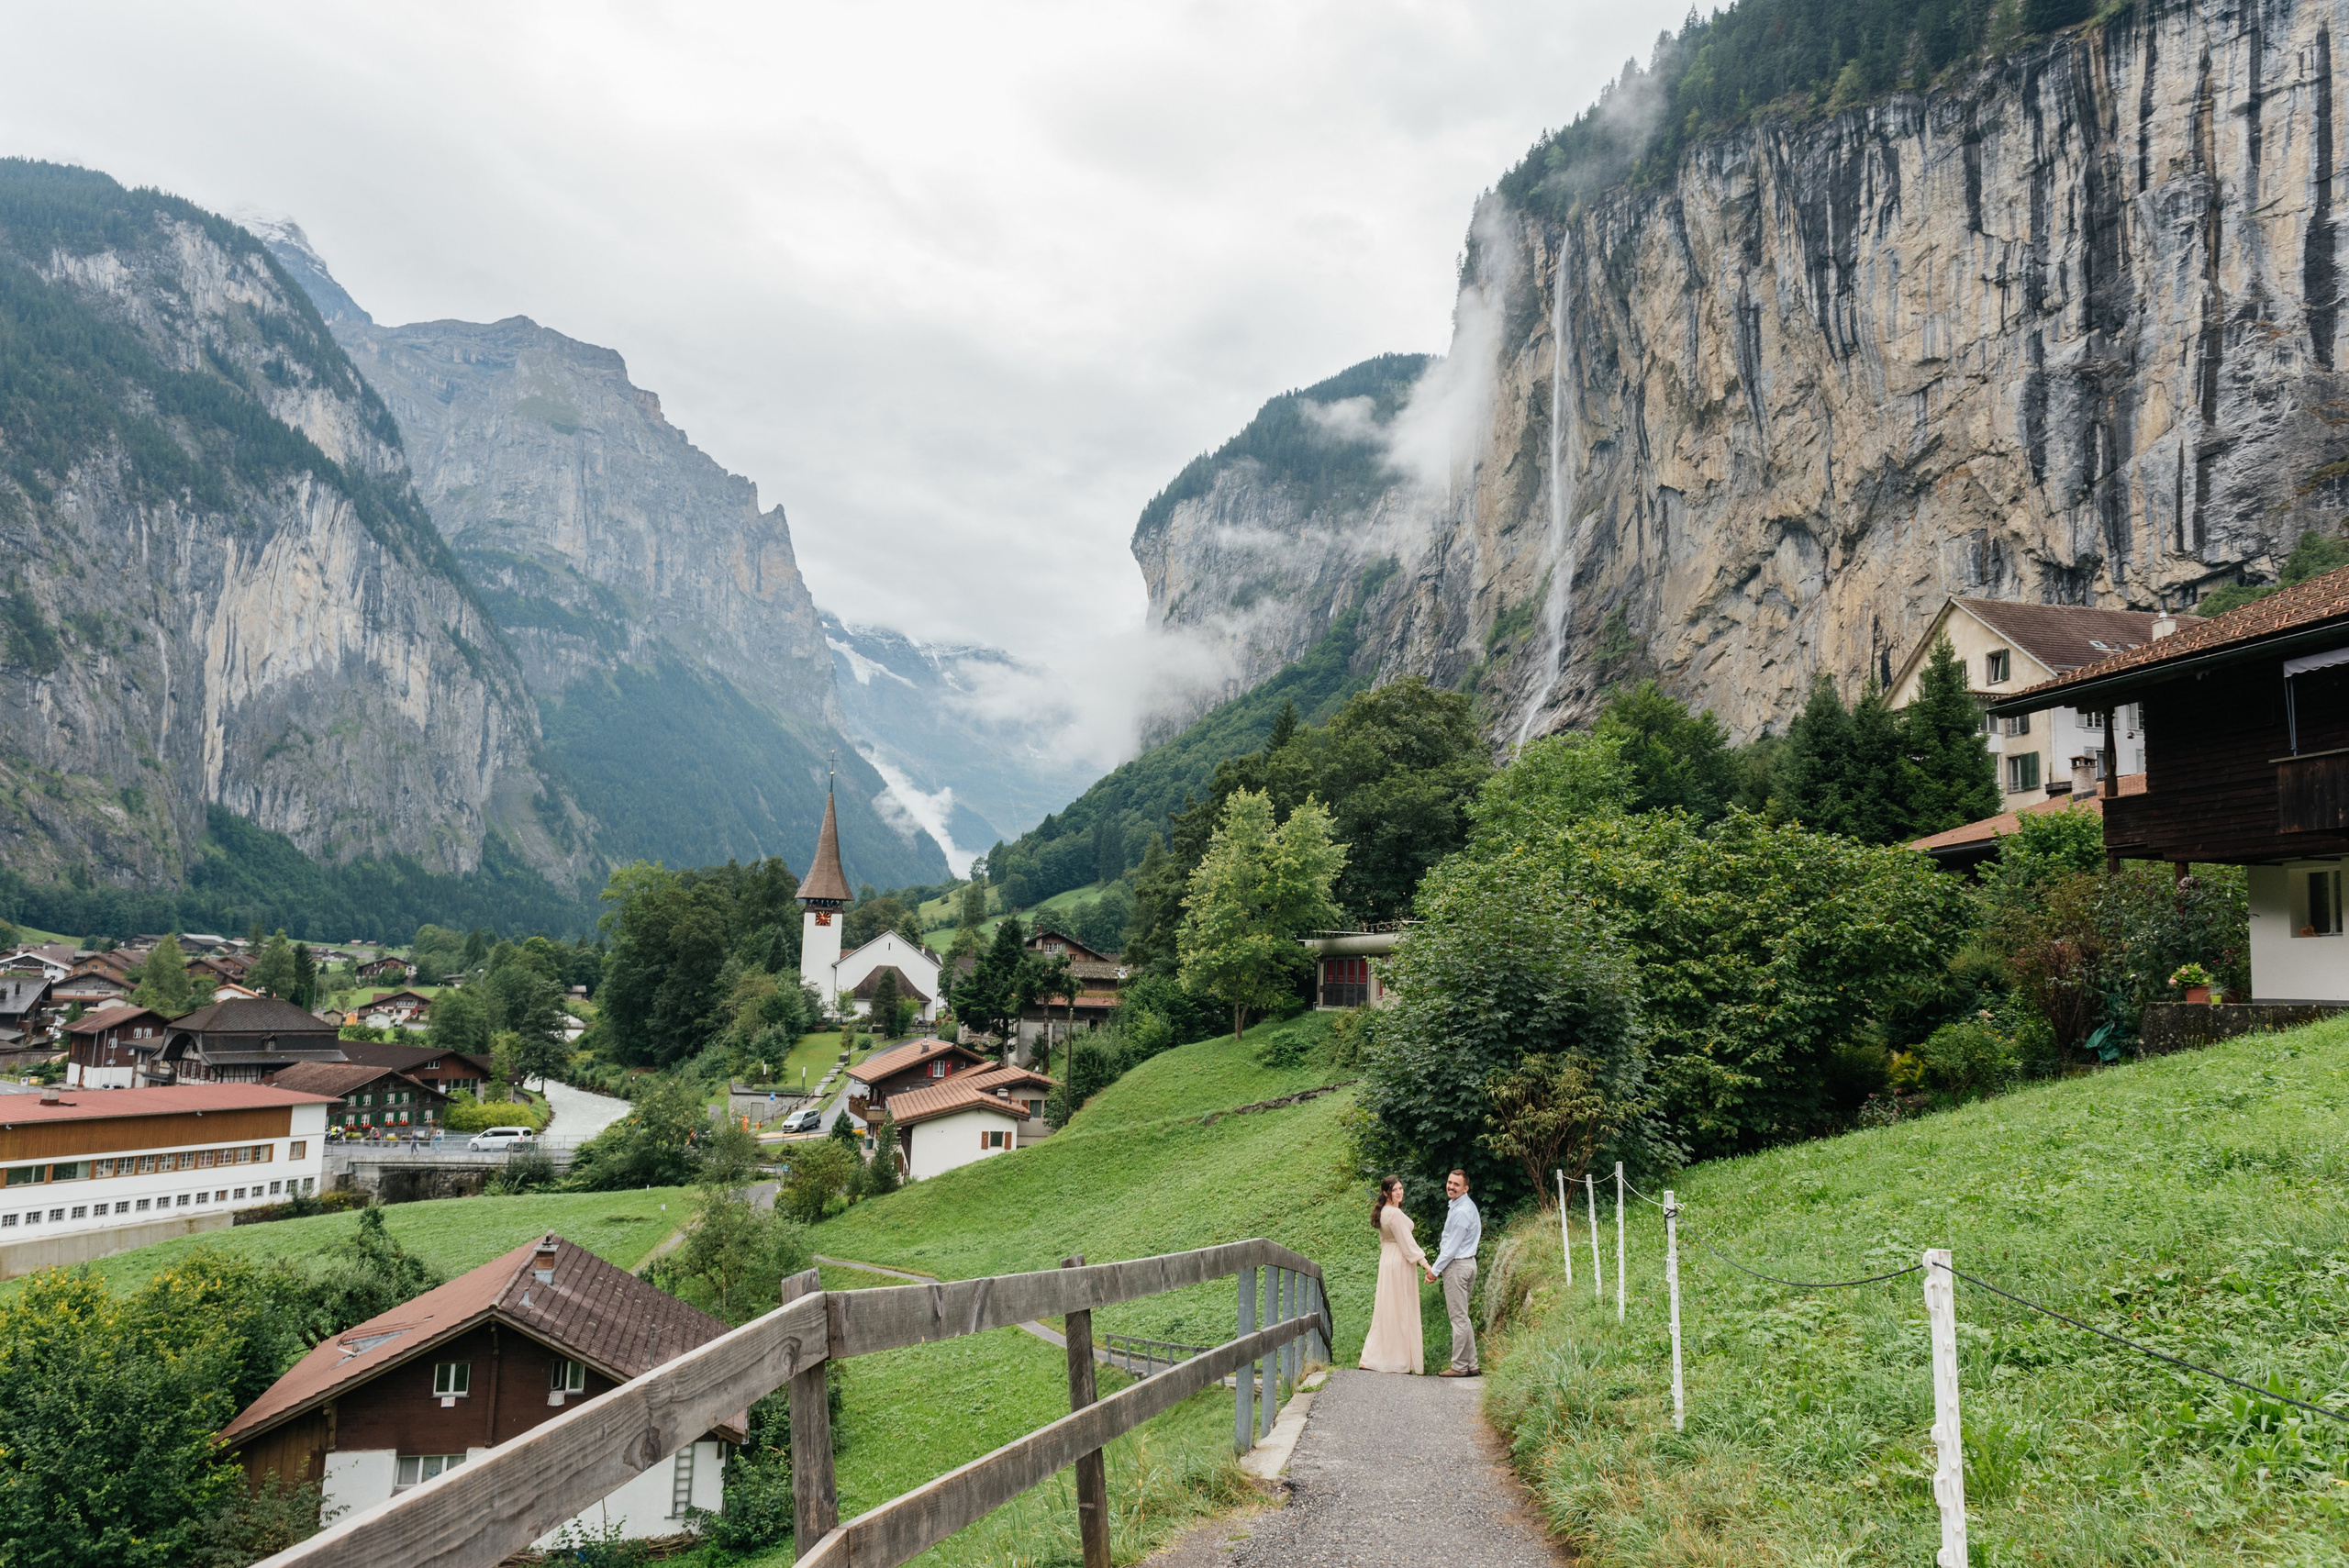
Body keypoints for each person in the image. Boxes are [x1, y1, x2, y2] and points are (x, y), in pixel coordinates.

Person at [1358, 1175, 1428, 1373]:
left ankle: (1378, 1355)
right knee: (1400, 1307)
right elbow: (1408, 1244)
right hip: (1398, 1261)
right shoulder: (1394, 1215)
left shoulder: (1385, 1212)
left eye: (1401, 1188)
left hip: (1388, 1259)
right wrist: (1426, 1264)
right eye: (1395, 1190)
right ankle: (1397, 1359)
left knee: (1388, 1308)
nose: (1399, 1192)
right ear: (1386, 1193)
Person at [1426, 1168, 1483, 1377]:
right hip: (1468, 1264)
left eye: (1456, 1184)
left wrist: (1434, 1271)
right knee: (1463, 1317)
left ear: (1465, 1188)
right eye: (1449, 1182)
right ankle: (1472, 1364)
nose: (1451, 1186)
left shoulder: (1460, 1212)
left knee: (1458, 1319)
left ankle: (1459, 1366)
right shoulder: (1466, 1205)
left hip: (1458, 1267)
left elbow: (1450, 1248)